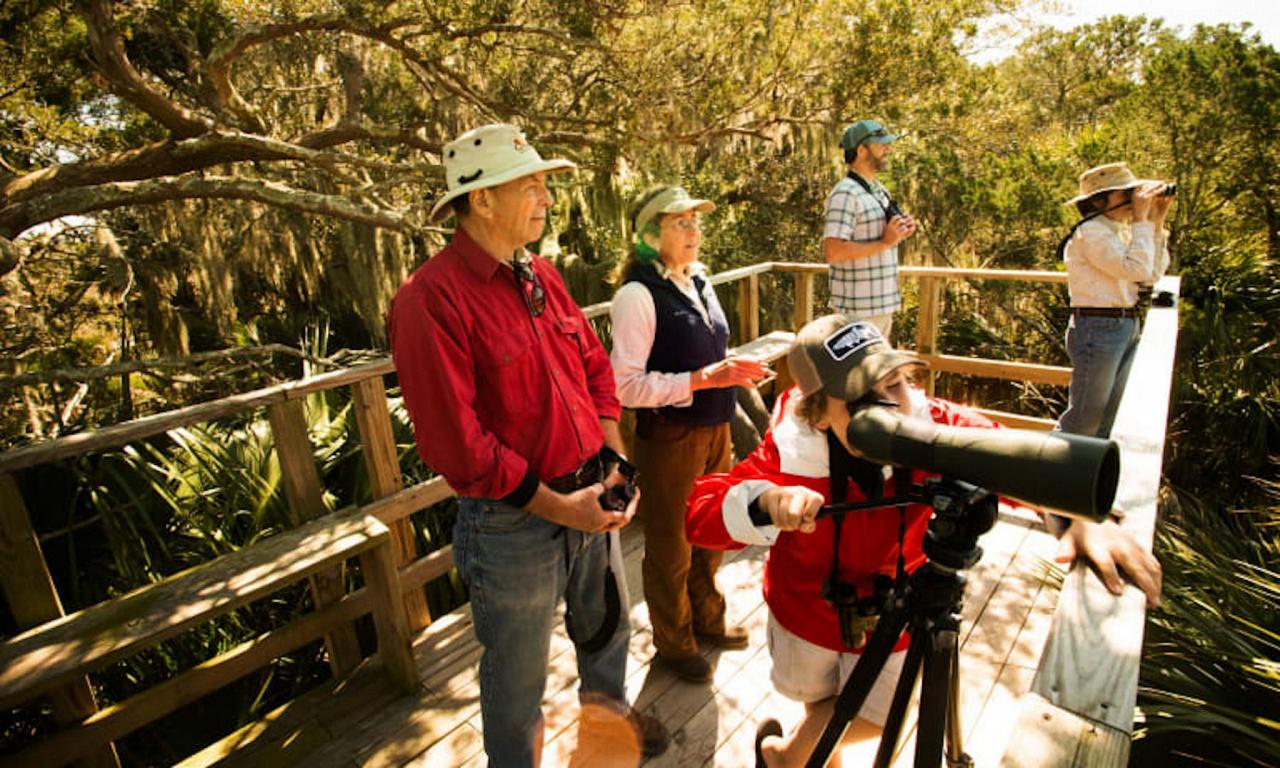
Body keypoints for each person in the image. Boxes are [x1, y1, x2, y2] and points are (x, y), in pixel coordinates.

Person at [685, 315, 1163, 768]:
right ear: (819, 414)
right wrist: (766, 500)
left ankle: (784, 757)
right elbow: (698, 515)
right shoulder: (790, 451)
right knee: (816, 701)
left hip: (899, 608)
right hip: (805, 612)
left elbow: (1008, 455)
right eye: (863, 399)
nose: (892, 406)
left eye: (894, 383)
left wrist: (1076, 515)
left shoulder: (931, 425)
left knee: (875, 714)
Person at [388, 123, 667, 766]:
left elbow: (594, 370)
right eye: (533, 185)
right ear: (480, 200)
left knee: (607, 631)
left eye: (546, 185)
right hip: (512, 524)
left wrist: (612, 457)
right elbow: (460, 447)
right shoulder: (429, 301)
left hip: (591, 493)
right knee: (517, 679)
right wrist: (558, 506)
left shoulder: (539, 274)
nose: (547, 199)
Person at [608, 184, 773, 683]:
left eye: (695, 222)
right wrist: (704, 379)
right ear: (649, 234)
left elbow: (707, 354)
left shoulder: (698, 279)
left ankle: (707, 620)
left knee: (711, 531)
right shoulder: (636, 295)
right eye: (680, 222)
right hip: (670, 438)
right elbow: (626, 386)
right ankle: (674, 644)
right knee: (670, 546)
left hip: (713, 429)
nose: (694, 231)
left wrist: (734, 369)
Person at [1058, 161, 1173, 437]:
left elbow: (1151, 275)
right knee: (1085, 418)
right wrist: (1143, 223)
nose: (1134, 200)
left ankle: (1089, 476)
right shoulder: (1091, 232)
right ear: (1100, 200)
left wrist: (1155, 225)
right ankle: (1054, 472)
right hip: (1098, 328)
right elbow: (1138, 270)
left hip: (1121, 325)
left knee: (1110, 416)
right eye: (1126, 194)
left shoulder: (1114, 230)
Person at [822, 120, 917, 338]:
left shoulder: (877, 189)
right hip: (857, 313)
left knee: (877, 372)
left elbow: (883, 237)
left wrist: (900, 231)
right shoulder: (845, 193)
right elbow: (833, 251)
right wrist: (885, 243)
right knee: (856, 373)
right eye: (880, 144)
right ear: (862, 150)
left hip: (882, 307)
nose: (887, 149)